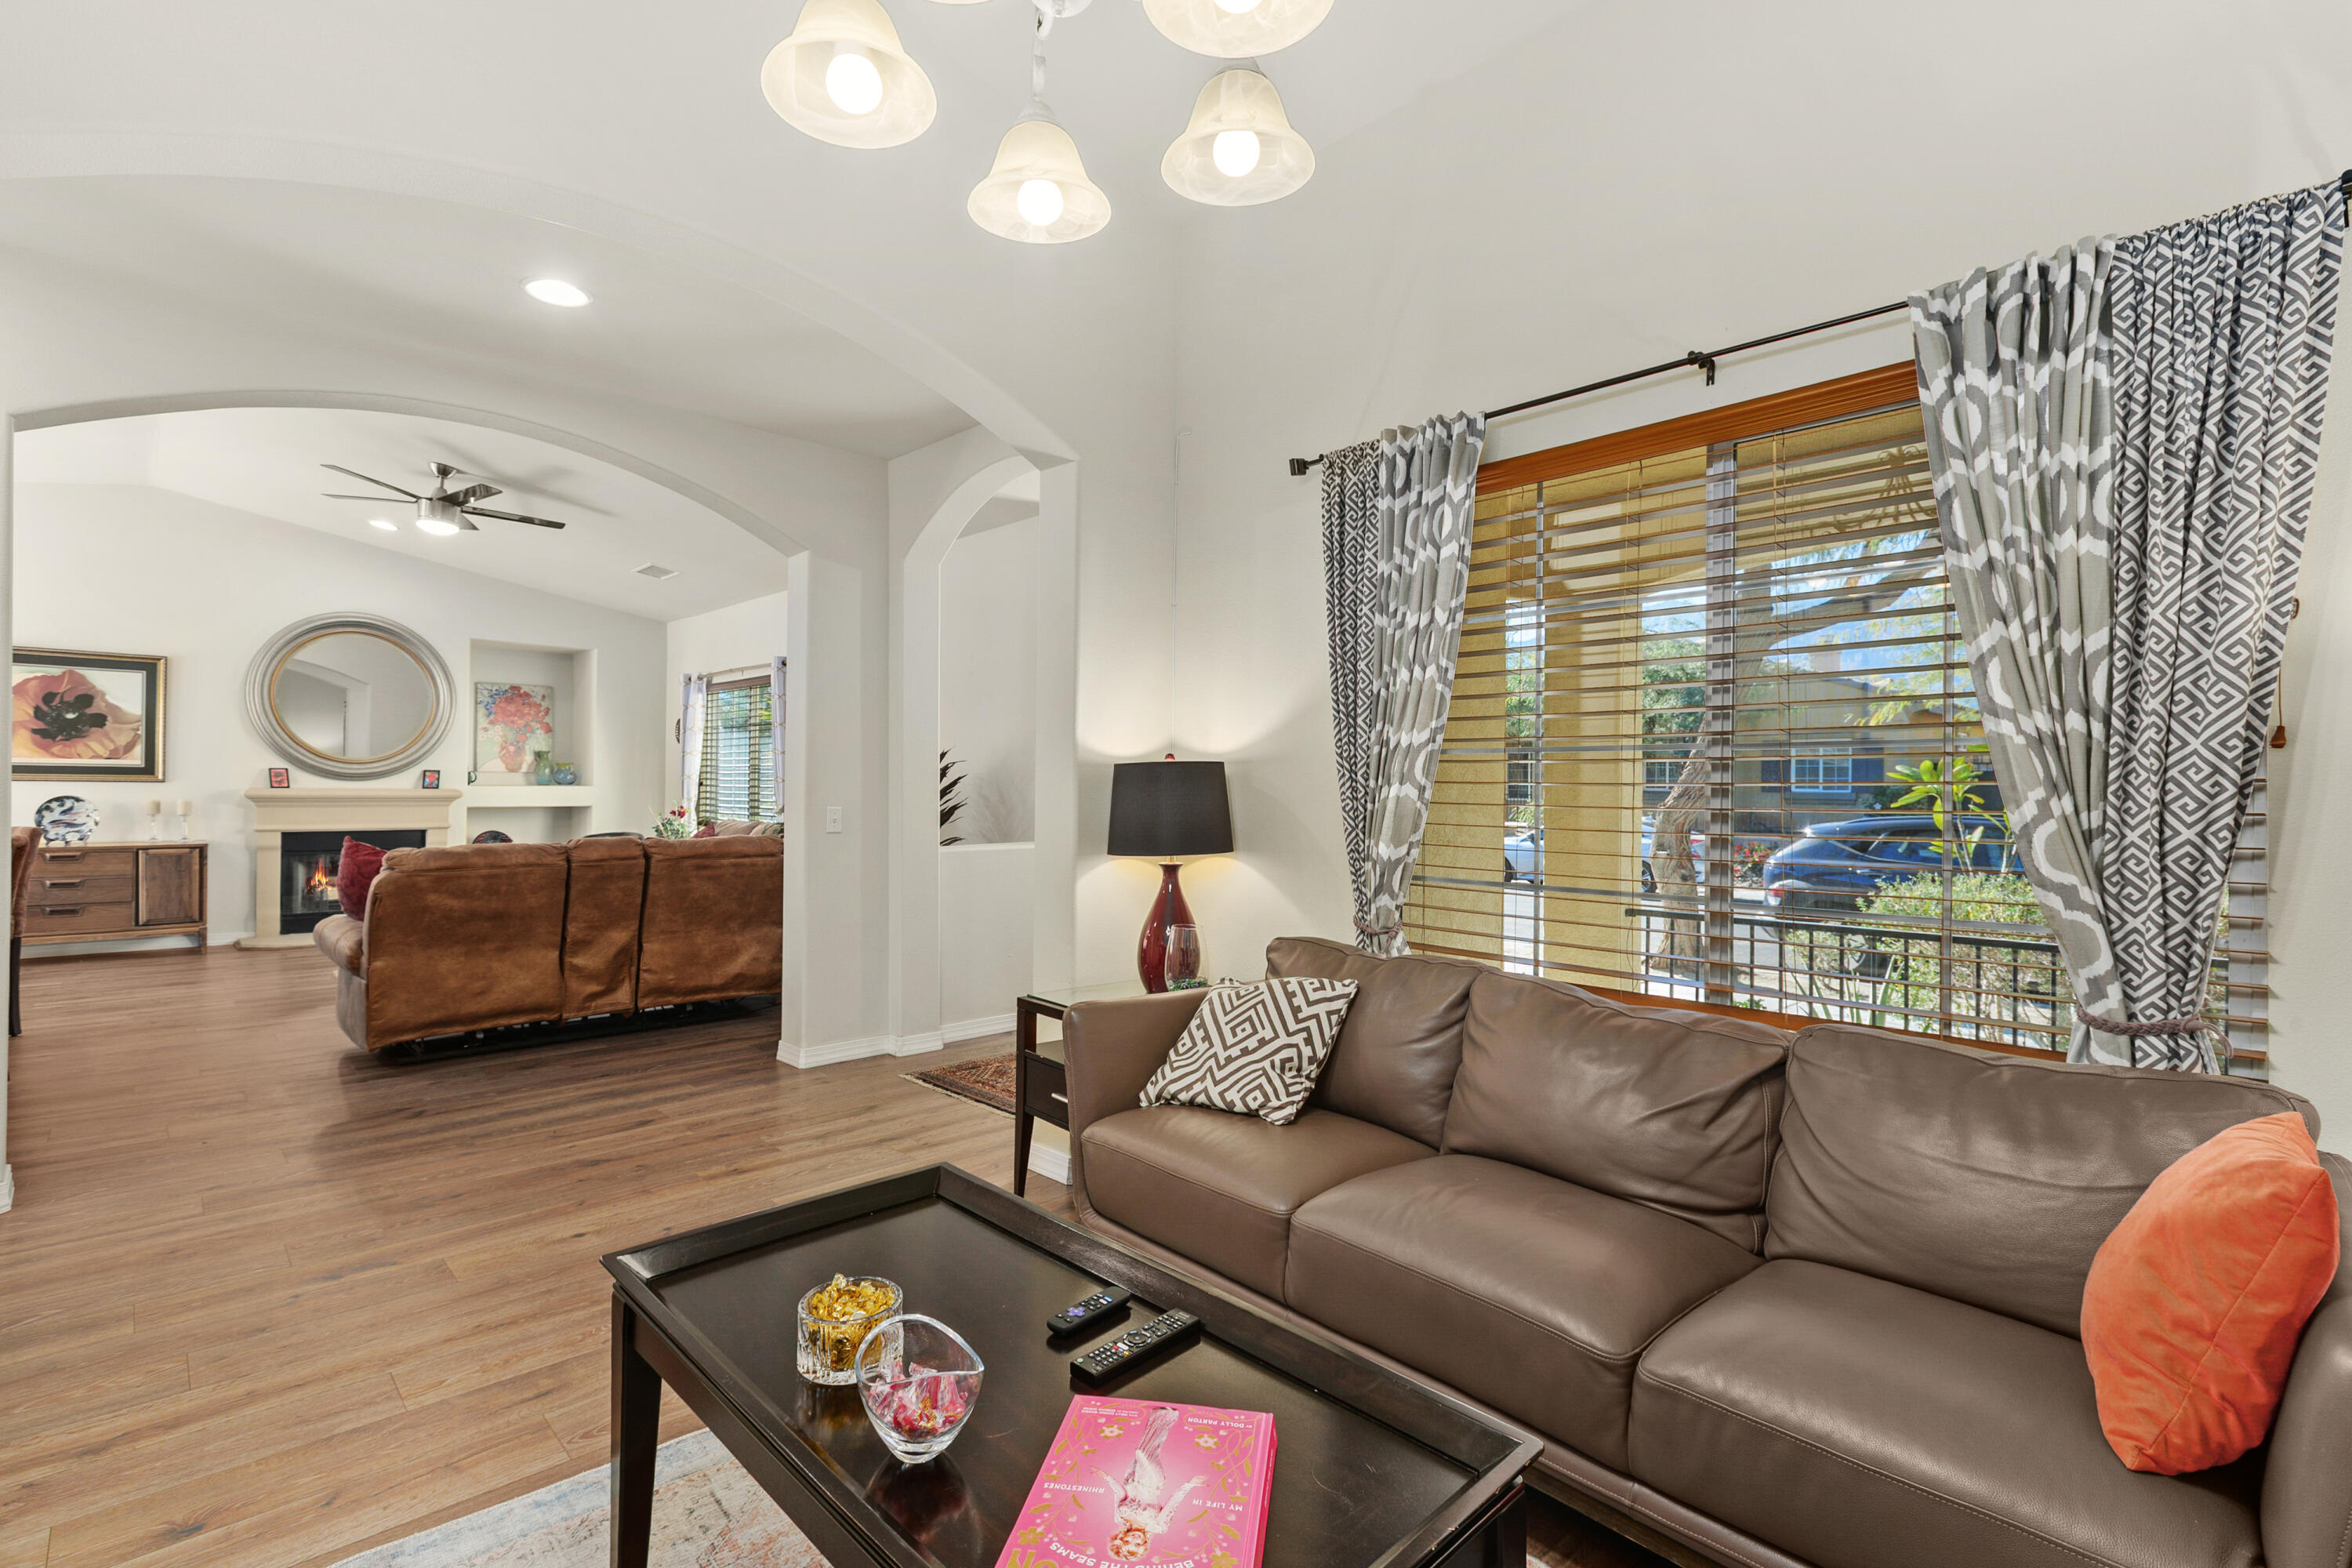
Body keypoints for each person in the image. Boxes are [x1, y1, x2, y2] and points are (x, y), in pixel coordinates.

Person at [1095, 1405, 1205, 1562]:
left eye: (1128, 1541)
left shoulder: (1120, 1518)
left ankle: (1161, 1416)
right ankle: (1166, 1416)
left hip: (1131, 1477)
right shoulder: (1157, 1527)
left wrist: (1106, 1477)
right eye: (1137, 1543)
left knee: (1144, 1449)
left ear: (1121, 1537)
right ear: (1144, 1543)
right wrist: (1189, 1485)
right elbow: (1172, 1505)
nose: (1134, 1539)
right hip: (1151, 1482)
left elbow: (1120, 1494)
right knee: (1143, 1452)